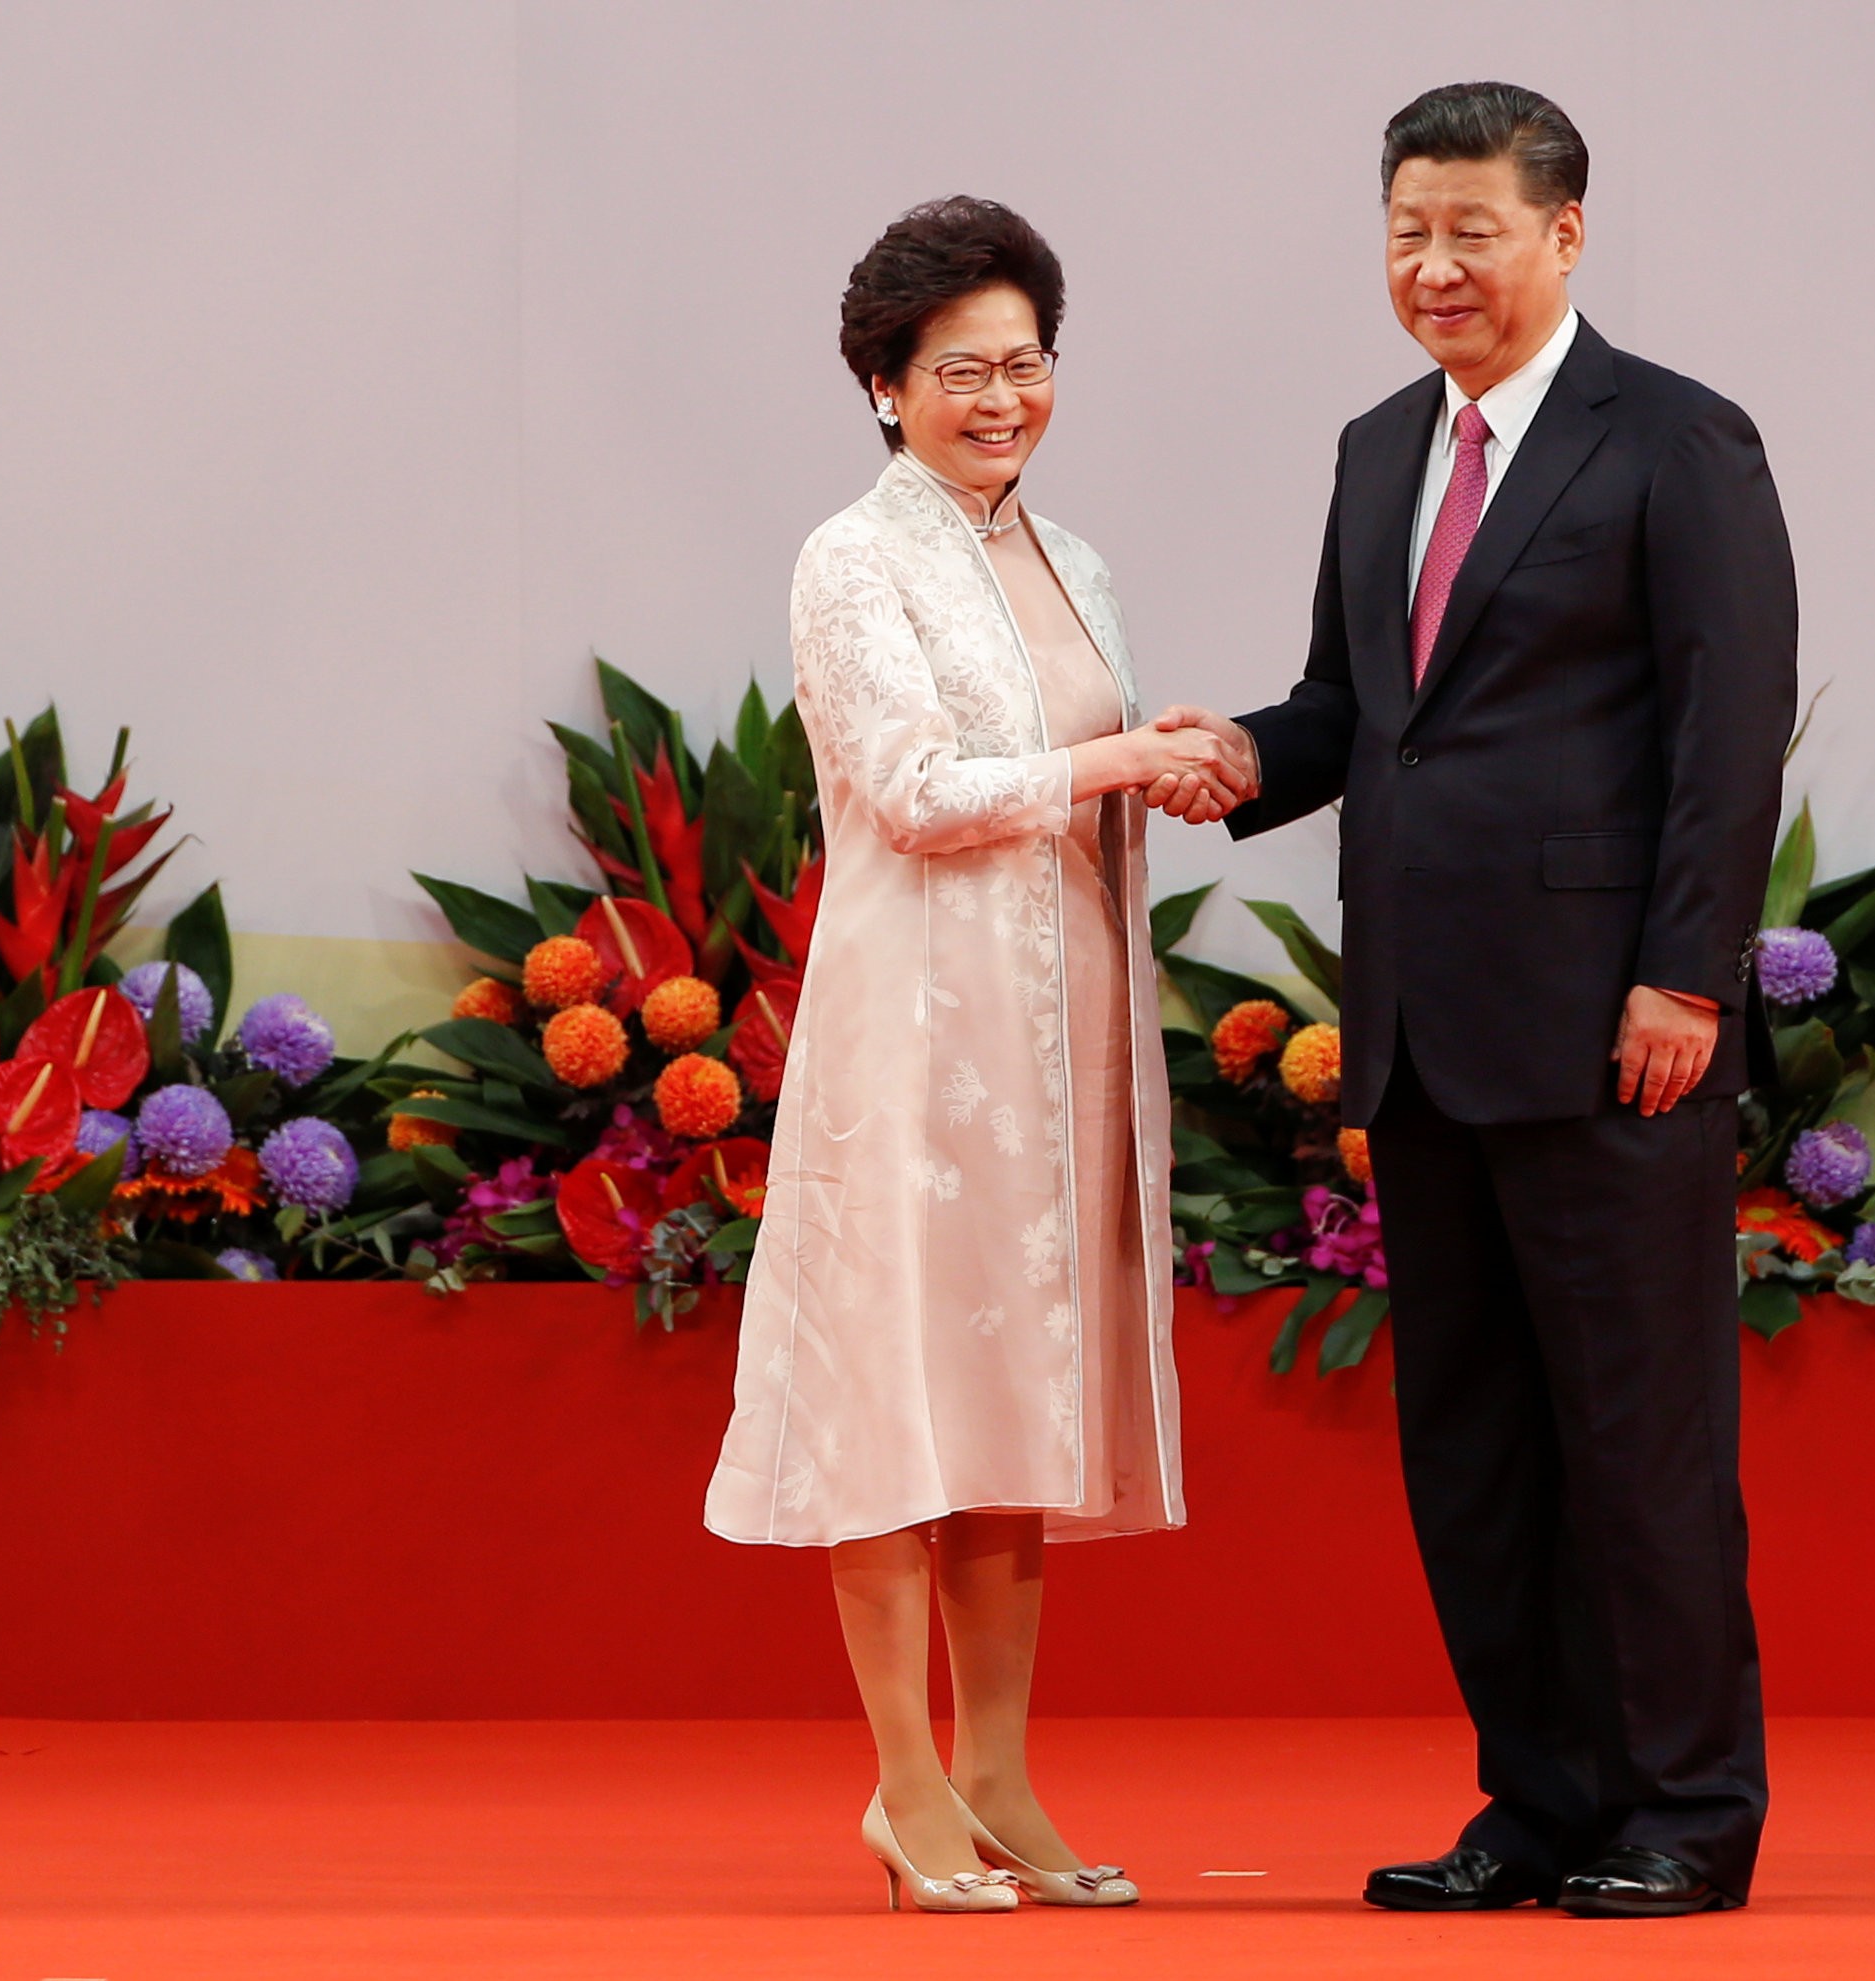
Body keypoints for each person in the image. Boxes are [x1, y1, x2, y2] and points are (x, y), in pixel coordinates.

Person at [1153, 83, 1800, 1917]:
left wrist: (1685, 971)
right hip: (1428, 1033)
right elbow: (1358, 715)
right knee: (1477, 1450)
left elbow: (1728, 732)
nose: (1435, 268)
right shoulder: (1378, 449)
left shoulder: (1678, 441)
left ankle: (1687, 1808)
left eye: (1474, 234)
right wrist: (1230, 760)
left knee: (1640, 1441)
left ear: (1565, 235)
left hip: (1616, 1025)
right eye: (1406, 235)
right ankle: (1540, 1799)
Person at [705, 196, 1248, 1915]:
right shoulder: (848, 558)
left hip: (1060, 1036)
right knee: (899, 1400)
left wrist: (1174, 768)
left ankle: (1001, 1769)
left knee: (1010, 1411)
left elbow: (1079, 766)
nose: (1000, 397)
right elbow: (921, 795)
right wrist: (1117, 762)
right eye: (959, 370)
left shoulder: (1073, 560)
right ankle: (905, 1781)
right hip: (912, 1041)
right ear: (883, 384)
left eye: (1025, 362)